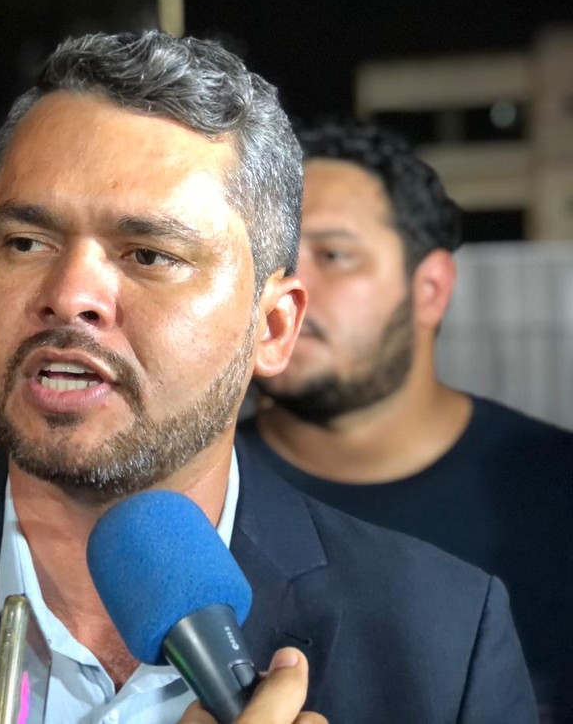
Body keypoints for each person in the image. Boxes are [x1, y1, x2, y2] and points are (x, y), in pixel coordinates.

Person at [0, 33, 536, 723]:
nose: (69, 296)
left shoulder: (440, 638)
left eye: (148, 255)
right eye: (27, 242)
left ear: (273, 327)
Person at [240, 119, 573, 720]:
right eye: (274, 256)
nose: (286, 287)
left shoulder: (554, 493)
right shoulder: (185, 498)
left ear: (430, 289)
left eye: (333, 255)